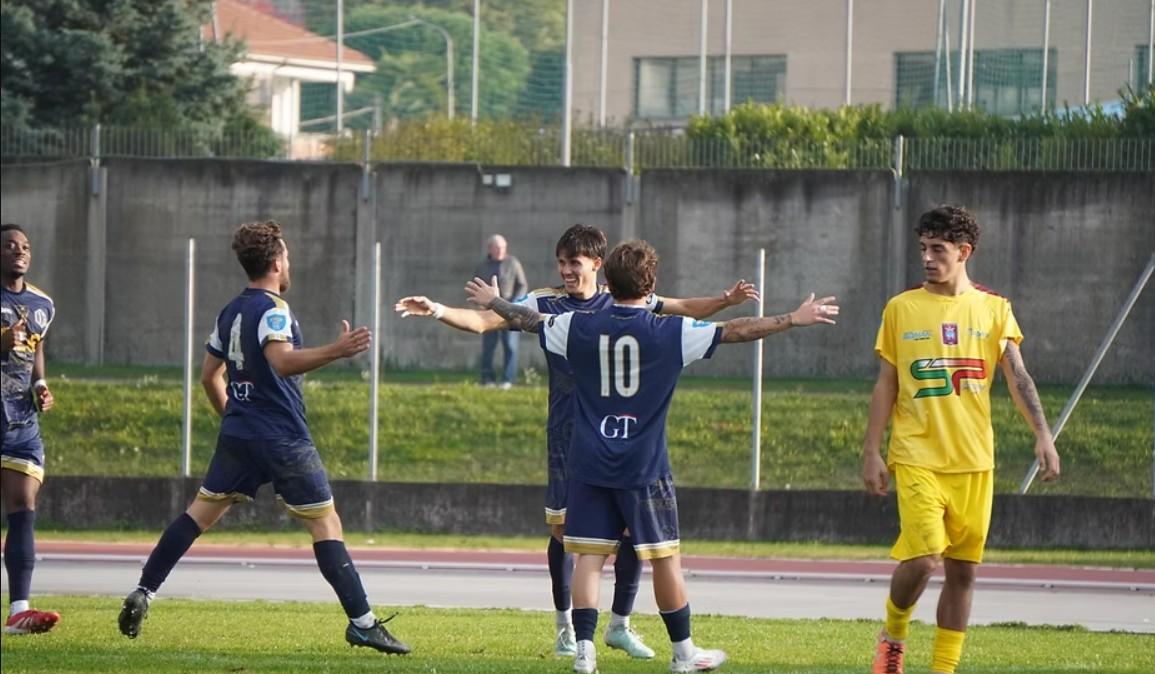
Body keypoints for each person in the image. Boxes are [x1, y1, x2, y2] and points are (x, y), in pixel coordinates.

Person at [464, 239, 838, 673]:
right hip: (643, 467)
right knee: (664, 558)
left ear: (607, 282)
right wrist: (791, 318)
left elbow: (530, 321)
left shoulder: (578, 328)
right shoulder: (670, 331)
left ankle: (584, 652)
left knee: (588, 556)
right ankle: (683, 654)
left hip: (588, 461)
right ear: (651, 286)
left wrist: (496, 301)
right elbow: (735, 330)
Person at [395, 224, 758, 659]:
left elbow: (681, 307)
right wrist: (437, 309)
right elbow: (481, 321)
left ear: (597, 265)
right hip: (568, 434)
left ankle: (619, 625)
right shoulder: (543, 303)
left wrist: (724, 300)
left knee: (628, 534)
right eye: (562, 262)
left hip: (617, 434)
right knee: (566, 534)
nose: (567, 271)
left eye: (575, 263)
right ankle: (566, 626)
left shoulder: (622, 298)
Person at [117, 220, 410, 655]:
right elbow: (282, 361)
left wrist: (234, 416)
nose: (289, 264)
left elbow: (207, 376)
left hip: (239, 434)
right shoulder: (275, 310)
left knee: (197, 516)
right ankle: (363, 623)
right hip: (282, 436)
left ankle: (145, 589)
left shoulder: (230, 310)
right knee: (325, 524)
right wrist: (338, 350)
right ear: (276, 263)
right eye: (287, 257)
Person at [861, 205, 1061, 674]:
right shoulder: (901, 308)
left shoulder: (994, 310)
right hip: (916, 456)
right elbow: (886, 384)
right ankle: (893, 634)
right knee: (926, 557)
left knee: (963, 571)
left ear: (964, 252)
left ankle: (943, 669)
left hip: (974, 462)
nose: (927, 258)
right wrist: (872, 450)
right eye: (923, 249)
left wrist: (1043, 436)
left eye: (938, 249)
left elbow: (1018, 376)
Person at [1, 223, 60, 635]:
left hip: (20, 419)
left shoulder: (43, 303)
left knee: (23, 508)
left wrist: (41, 385)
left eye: (24, 246)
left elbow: (36, 349)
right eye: (8, 246)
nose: (18, 251)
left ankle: (19, 610)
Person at [474, 234, 528, 389]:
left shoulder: (513, 263)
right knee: (489, 346)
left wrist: (515, 303)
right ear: (490, 249)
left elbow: (522, 285)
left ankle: (508, 380)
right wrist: (480, 303)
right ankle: (487, 379)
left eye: (503, 247)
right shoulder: (483, 266)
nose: (500, 250)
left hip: (510, 310)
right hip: (489, 311)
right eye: (497, 248)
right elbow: (475, 285)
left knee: (510, 345)